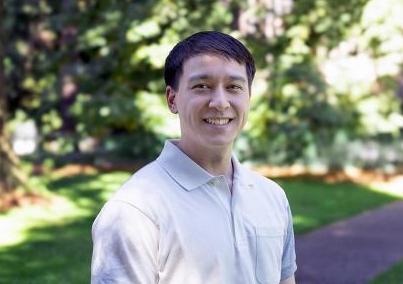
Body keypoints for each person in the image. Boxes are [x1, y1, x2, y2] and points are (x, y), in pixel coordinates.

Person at [91, 31, 297, 284]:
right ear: (172, 99)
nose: (220, 103)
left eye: (234, 87)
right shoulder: (134, 211)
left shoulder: (272, 197)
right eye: (202, 86)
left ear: (248, 97)